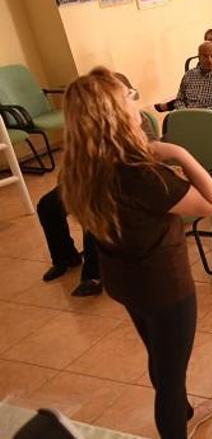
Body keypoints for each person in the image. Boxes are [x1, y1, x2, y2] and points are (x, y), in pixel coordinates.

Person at [59, 67, 212, 438]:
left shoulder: (81, 167)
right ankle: (176, 421)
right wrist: (178, 153)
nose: (137, 99)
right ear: (115, 113)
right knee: (169, 376)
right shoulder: (143, 173)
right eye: (130, 96)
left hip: (124, 281)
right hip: (164, 286)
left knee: (161, 356)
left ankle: (185, 413)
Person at [37, 73, 155, 298]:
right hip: (86, 179)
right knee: (47, 205)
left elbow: (149, 156)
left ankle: (93, 274)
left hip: (119, 185)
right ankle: (65, 257)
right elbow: (74, 159)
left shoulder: (140, 121)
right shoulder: (89, 126)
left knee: (95, 211)